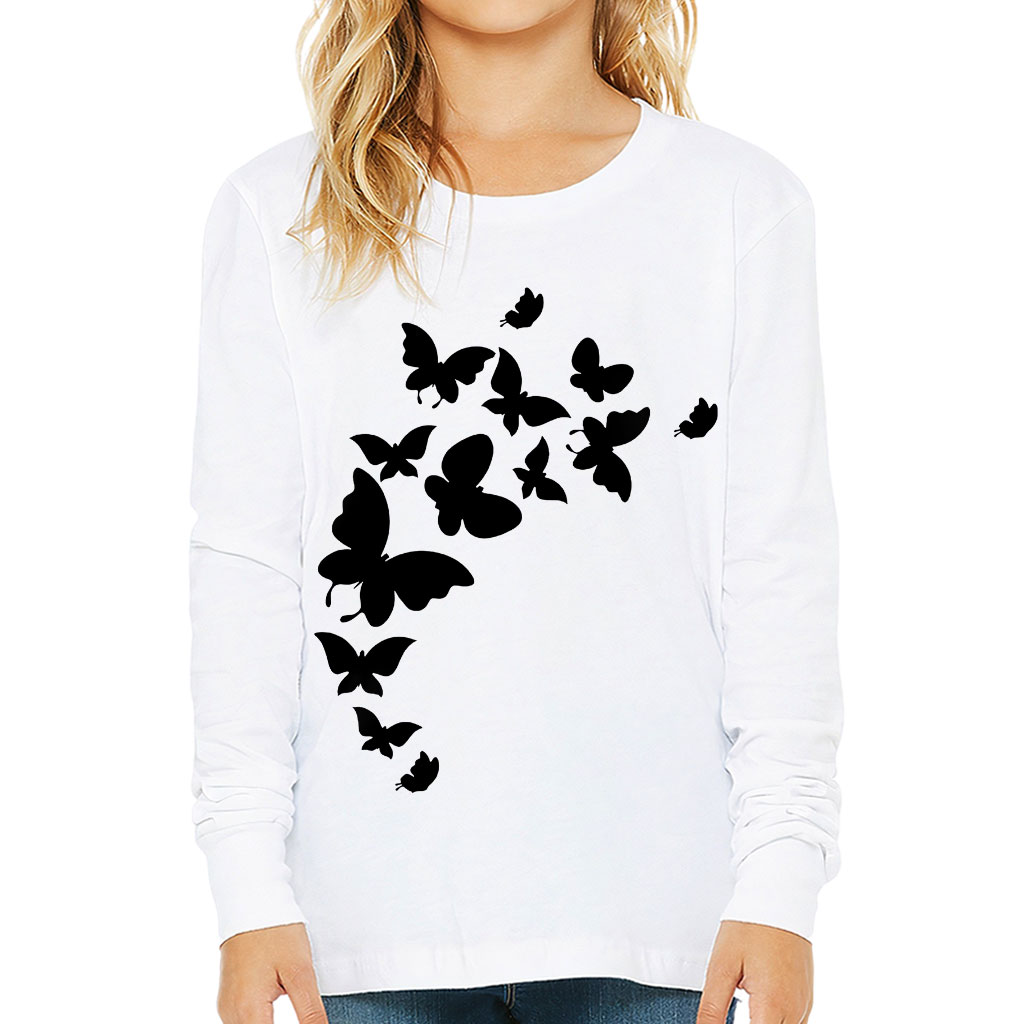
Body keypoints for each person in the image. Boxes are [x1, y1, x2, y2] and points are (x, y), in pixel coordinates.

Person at [188, 2, 844, 1022]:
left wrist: (782, 877)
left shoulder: (736, 205)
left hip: (666, 930)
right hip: (360, 940)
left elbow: (777, 562)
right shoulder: (283, 207)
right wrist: (246, 889)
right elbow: (246, 567)